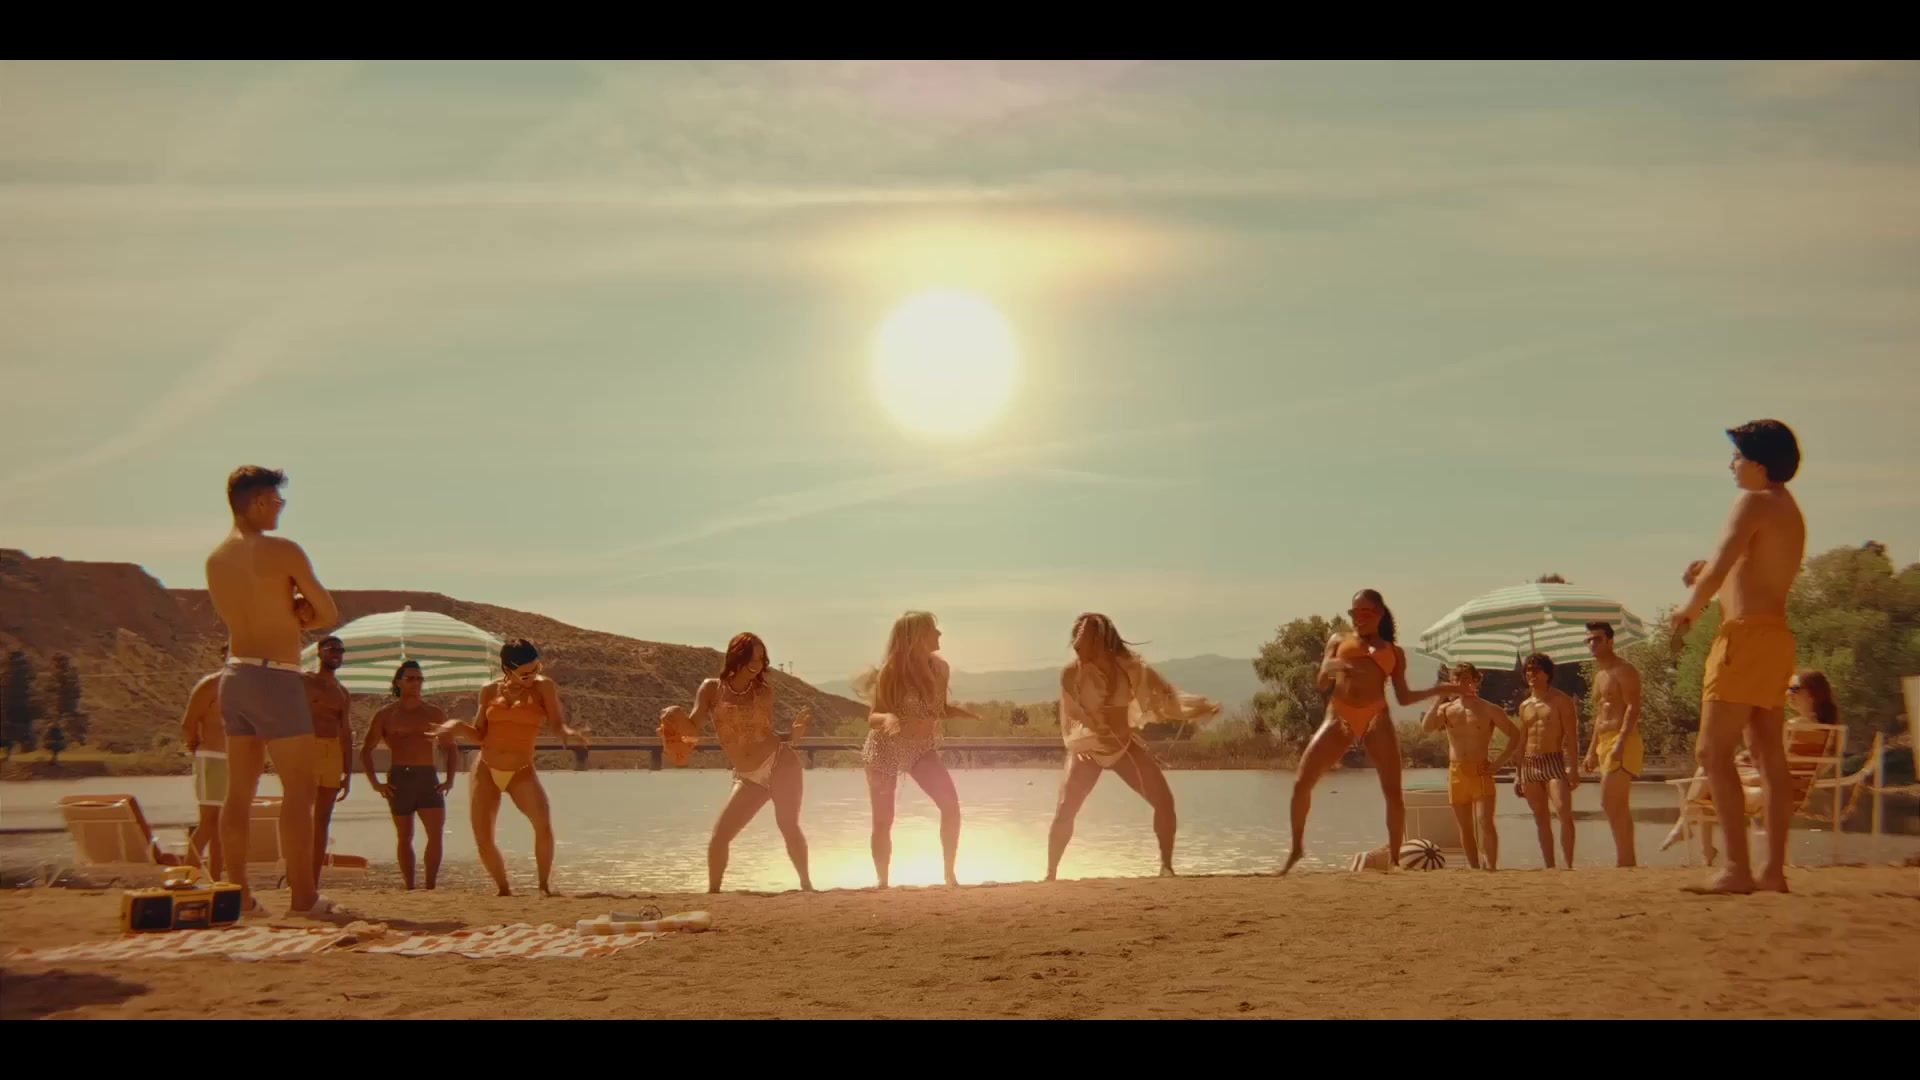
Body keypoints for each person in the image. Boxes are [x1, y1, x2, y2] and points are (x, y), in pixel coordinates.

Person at [1670, 419, 1807, 895]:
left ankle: (1735, 869)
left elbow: (1725, 564)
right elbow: (1749, 573)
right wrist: (1707, 574)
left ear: (1759, 464)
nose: (1731, 465)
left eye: (1737, 457)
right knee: (1768, 752)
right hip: (1774, 636)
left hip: (1744, 638)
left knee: (1712, 751)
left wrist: (1689, 607)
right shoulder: (1787, 508)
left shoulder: (1751, 501)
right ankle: (1772, 872)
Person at [203, 465, 339, 916]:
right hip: (277, 677)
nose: (281, 509)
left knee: (238, 794)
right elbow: (328, 614)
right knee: (298, 791)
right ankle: (303, 898)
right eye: (278, 502)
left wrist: (287, 609)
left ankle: (237, 894)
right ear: (259, 502)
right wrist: (300, 611)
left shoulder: (216, 559)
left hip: (235, 675)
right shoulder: (282, 551)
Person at [1283, 590, 1460, 874]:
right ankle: (1296, 848)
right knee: (1301, 783)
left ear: (1379, 614)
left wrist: (1439, 690)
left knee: (1393, 793)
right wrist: (1329, 668)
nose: (1359, 618)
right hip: (1340, 715)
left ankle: (1395, 860)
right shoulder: (1338, 640)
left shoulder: (1393, 652)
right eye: (1354, 613)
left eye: (1365, 612)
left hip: (1376, 717)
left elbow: (1403, 697)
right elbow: (1321, 683)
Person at [1048, 613, 1220, 881]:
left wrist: (1198, 707)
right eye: (1077, 643)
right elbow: (1073, 711)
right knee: (1065, 808)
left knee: (1164, 801)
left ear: (1101, 641)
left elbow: (1166, 695)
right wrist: (1094, 724)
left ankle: (1166, 867)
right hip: (1088, 748)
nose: (1078, 649)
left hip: (1123, 747)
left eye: (1084, 642)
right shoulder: (1072, 673)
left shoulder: (1132, 669)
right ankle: (1050, 874)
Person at [658, 633, 815, 893]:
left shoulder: (763, 692)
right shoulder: (711, 689)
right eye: (751, 657)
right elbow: (694, 730)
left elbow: (767, 733)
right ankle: (713, 894)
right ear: (736, 657)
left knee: (788, 825)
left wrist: (792, 736)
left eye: (761, 659)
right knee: (720, 837)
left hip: (780, 763)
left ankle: (807, 887)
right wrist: (674, 722)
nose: (756, 664)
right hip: (747, 775)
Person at [436, 639, 587, 896]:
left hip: (521, 770)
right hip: (486, 768)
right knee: (483, 837)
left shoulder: (544, 688)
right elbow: (479, 734)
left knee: (542, 824)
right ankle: (504, 889)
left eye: (536, 668)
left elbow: (557, 723)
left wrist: (567, 733)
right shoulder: (488, 691)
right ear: (507, 669)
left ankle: (544, 886)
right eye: (525, 673)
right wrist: (457, 727)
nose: (532, 676)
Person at [1660, 670, 1838, 864]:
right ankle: (1702, 845)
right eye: (1787, 689)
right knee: (1712, 777)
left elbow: (1771, 766)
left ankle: (1687, 829)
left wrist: (1748, 767)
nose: (1788, 694)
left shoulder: (1795, 726)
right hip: (1793, 795)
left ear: (1812, 693)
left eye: (1794, 689)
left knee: (1710, 773)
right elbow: (1809, 769)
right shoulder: (1830, 731)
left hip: (1769, 795)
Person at [854, 611, 974, 888]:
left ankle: (950, 876)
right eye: (933, 629)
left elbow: (938, 710)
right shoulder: (892, 670)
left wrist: (963, 712)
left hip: (920, 748)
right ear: (917, 636)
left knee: (950, 806)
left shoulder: (940, 669)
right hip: (884, 747)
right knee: (883, 819)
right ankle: (883, 883)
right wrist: (889, 718)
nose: (939, 634)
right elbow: (873, 717)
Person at [362, 660, 458, 890]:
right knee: (405, 835)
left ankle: (431, 885)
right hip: (400, 777)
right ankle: (409, 886)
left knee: (435, 833)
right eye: (410, 679)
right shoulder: (386, 714)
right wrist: (375, 783)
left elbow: (450, 747)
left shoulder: (433, 712)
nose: (416, 683)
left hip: (427, 776)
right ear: (398, 682)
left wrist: (450, 780)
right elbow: (366, 749)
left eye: (419, 679)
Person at [1421, 663, 1520, 870]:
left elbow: (1515, 735)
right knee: (1465, 826)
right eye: (1457, 680)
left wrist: (1499, 763)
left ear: (1476, 681)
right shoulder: (1447, 709)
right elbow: (1427, 727)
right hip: (1457, 772)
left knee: (1484, 820)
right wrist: (1439, 698)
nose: (1461, 684)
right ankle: (1475, 868)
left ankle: (1491, 867)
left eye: (1466, 679)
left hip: (1480, 770)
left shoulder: (1489, 709)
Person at [1580, 622, 1644, 866]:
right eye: (1588, 640)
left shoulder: (1624, 670)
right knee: (1615, 804)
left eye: (1597, 639)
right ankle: (1626, 860)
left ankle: (1626, 859)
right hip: (1604, 741)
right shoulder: (1599, 675)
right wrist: (1591, 751)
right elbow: (1600, 715)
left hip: (1622, 739)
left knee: (1610, 802)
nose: (1592, 644)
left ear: (1610, 641)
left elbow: (1633, 707)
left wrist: (1621, 742)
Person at [1514, 653, 1581, 868]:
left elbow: (1571, 737)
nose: (1531, 675)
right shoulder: (1525, 705)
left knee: (1563, 812)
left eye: (1536, 670)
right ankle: (1550, 866)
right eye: (1528, 671)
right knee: (1541, 818)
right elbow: (1522, 740)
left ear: (1547, 673)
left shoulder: (1561, 701)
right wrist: (1518, 774)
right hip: (1530, 763)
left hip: (1553, 761)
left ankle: (1568, 865)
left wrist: (1573, 769)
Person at [303, 636, 355, 885]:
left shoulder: (341, 692)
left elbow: (345, 732)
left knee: (322, 819)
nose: (337, 654)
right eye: (332, 649)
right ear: (320, 652)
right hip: (306, 747)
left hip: (332, 751)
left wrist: (348, 772)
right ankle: (297, 876)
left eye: (341, 651)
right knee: (301, 815)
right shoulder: (304, 681)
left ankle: (312, 880)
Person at [179, 647, 228, 878]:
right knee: (209, 821)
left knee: (223, 824)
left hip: (236, 760)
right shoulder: (210, 685)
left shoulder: (248, 688)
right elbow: (189, 723)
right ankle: (187, 878)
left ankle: (217, 880)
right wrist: (197, 746)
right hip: (213, 759)